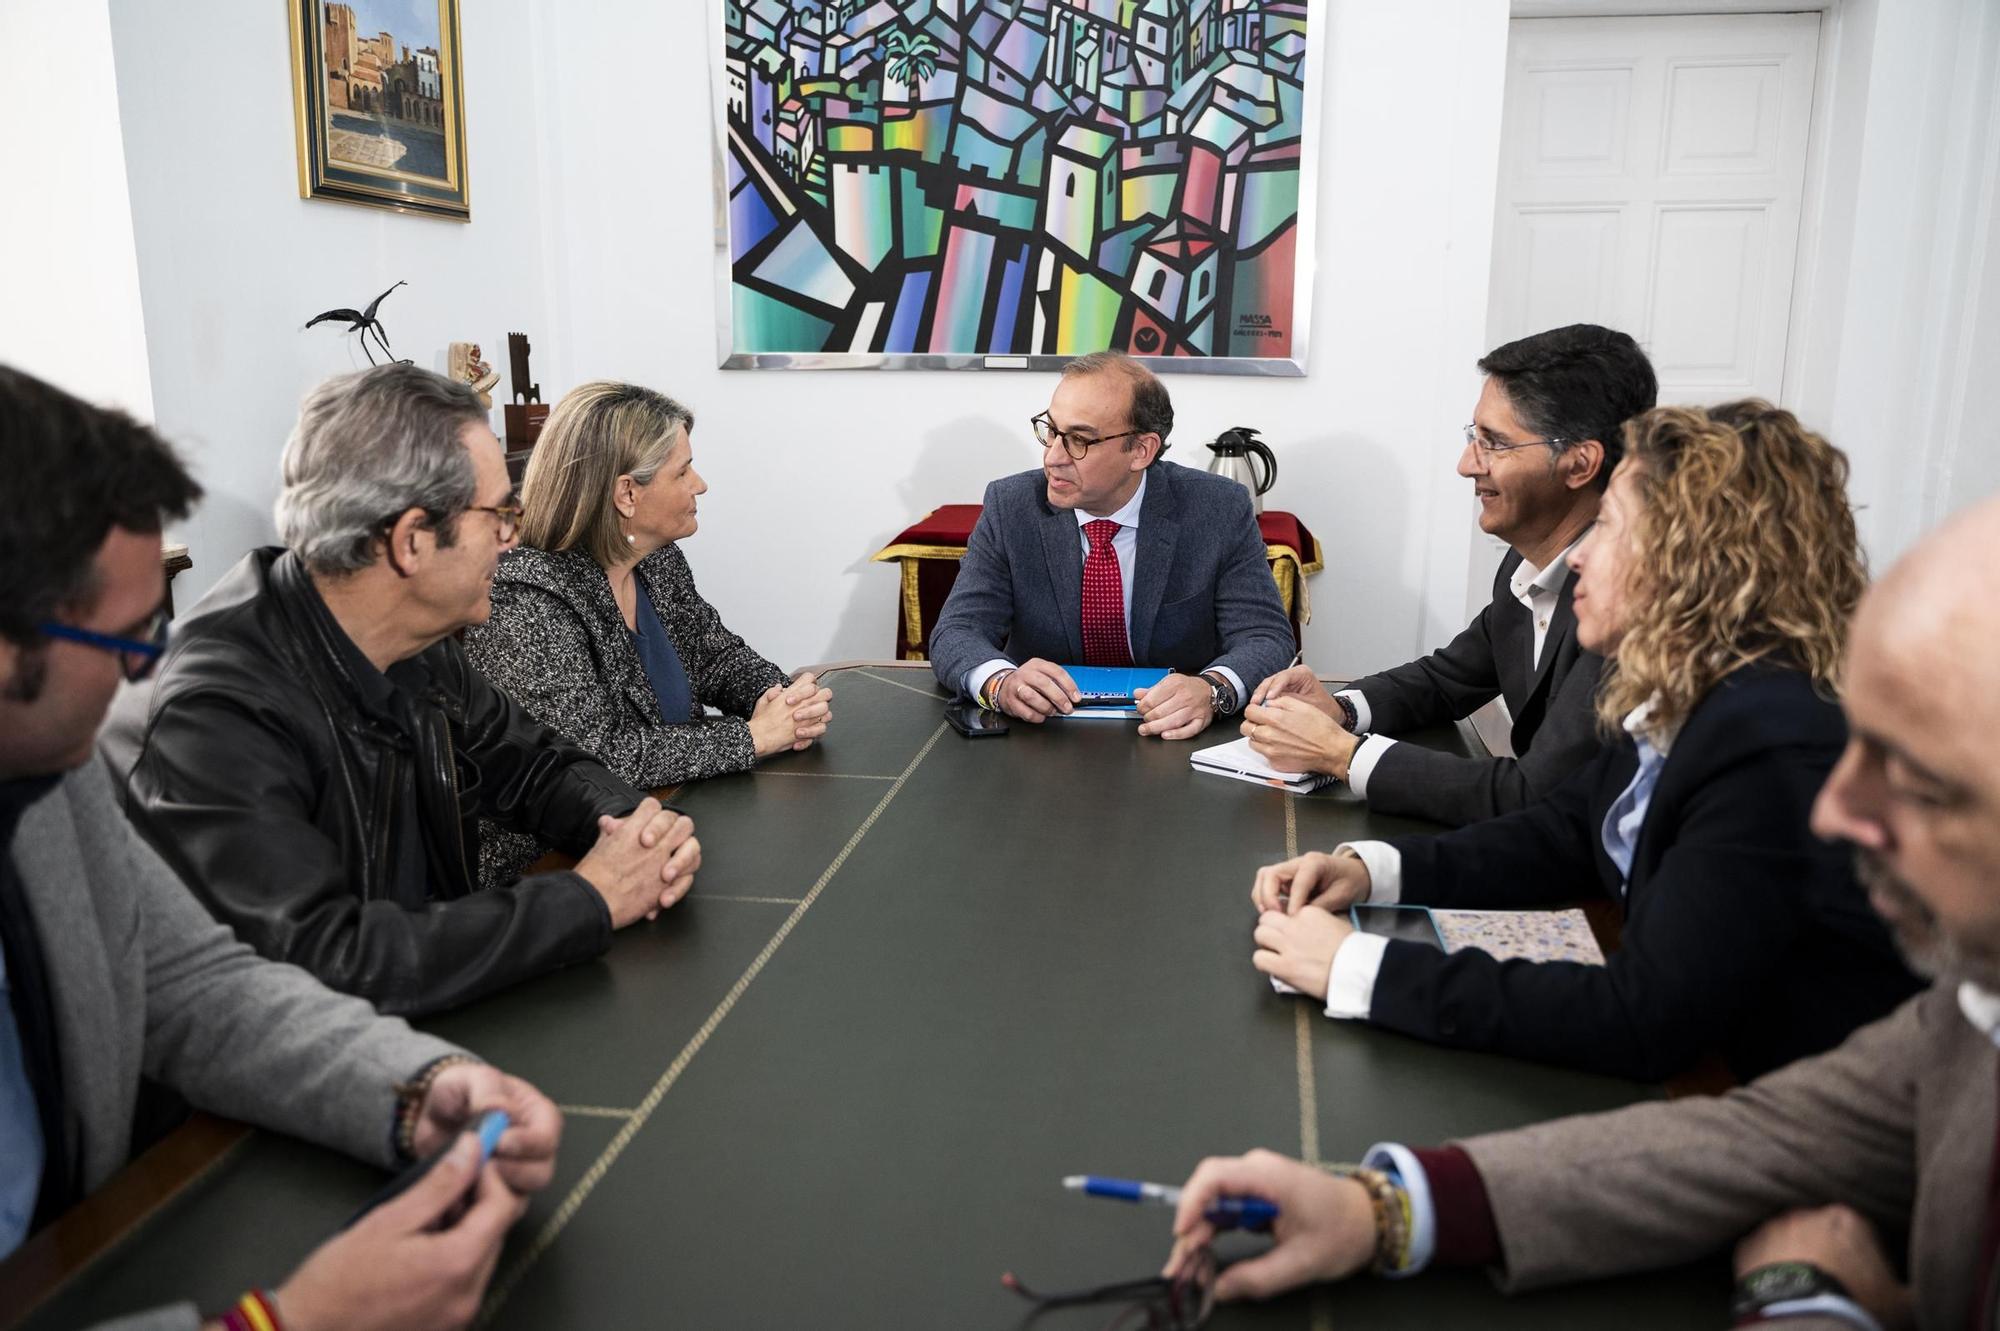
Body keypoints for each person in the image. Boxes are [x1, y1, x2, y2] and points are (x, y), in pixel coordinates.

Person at [1165, 491, 2000, 1331]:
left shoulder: (1763, 740)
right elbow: (1764, 1139)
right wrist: (1378, 1208)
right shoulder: (1969, 1009)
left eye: (1919, 776)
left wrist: (1806, 1299)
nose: (1833, 810)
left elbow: (1653, 1015)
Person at [0, 364, 564, 1331]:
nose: (145, 669)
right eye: (127, 640)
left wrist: (411, 1086)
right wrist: (286, 1321)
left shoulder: (52, 774)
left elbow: (198, 983)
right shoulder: (202, 701)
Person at [1248, 403, 1918, 1082]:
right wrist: (1369, 871)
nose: (1584, 553)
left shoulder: (1769, 746)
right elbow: (1566, 833)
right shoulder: (1695, 691)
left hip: (1791, 1122)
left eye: (1614, 529)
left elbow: (1643, 1019)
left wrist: (1357, 967)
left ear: (1696, 561)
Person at [115, 364, 702, 1018]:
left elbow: (538, 766)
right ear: (412, 540)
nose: (512, 542)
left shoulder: (414, 642)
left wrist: (639, 834)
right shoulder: (220, 708)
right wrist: (587, 899)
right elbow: (321, 959)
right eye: (499, 515)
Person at [1243, 324, 1656, 825]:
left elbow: (1537, 796)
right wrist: (1340, 709)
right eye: (1472, 437)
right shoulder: (1524, 562)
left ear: (1578, 463)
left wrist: (1344, 755)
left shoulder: (1626, 603)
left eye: (1494, 444)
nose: (1466, 465)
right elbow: (1449, 678)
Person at [463, 381, 832, 887]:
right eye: (683, 471)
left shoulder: (656, 562)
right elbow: (594, 757)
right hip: (558, 871)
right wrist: (751, 736)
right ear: (626, 493)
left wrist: (786, 700)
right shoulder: (524, 601)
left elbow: (715, 658)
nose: (700, 484)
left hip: (665, 824)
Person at [928, 351, 1294, 740]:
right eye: (1051, 431)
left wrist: (1212, 690)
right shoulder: (1012, 505)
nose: (1053, 458)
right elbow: (958, 630)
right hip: (1041, 737)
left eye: (1079, 440)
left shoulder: (1217, 508)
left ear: (1140, 451)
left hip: (1173, 734)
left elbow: (1264, 636)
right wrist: (1001, 683)